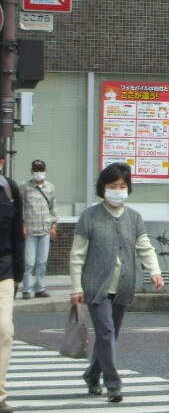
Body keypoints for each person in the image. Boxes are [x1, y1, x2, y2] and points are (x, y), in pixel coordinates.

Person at [69, 163, 165, 403]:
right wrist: (76, 288)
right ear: (103, 188)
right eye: (113, 186)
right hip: (95, 287)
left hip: (123, 287)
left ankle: (92, 375)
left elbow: (145, 247)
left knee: (109, 336)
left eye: (122, 186)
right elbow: (77, 255)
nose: (118, 190)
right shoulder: (89, 216)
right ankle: (113, 384)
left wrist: (155, 272)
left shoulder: (134, 217)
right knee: (106, 332)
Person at [0, 147, 23, 413]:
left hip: (4, 272)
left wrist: (19, 274)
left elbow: (18, 233)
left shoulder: (9, 190)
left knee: (5, 330)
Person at [20, 159, 57, 300]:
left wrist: (54, 225)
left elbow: (53, 207)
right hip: (29, 230)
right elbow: (21, 208)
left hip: (45, 230)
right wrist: (22, 225)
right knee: (29, 262)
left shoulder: (50, 187)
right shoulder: (24, 187)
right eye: (36, 170)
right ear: (32, 172)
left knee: (42, 261)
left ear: (45, 171)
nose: (38, 173)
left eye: (41, 170)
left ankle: (40, 288)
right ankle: (26, 289)